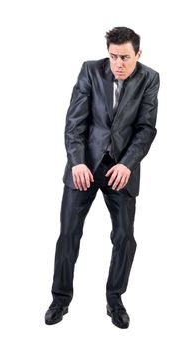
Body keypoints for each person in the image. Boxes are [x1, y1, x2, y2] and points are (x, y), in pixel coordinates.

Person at [45, 26, 160, 328]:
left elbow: (146, 128)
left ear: (138, 54)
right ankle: (60, 298)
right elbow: (74, 122)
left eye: (124, 57)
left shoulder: (150, 79)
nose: (118, 63)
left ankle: (115, 299)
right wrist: (77, 162)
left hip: (120, 169)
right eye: (113, 56)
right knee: (69, 233)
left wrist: (127, 164)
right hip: (85, 165)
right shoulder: (90, 71)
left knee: (125, 237)